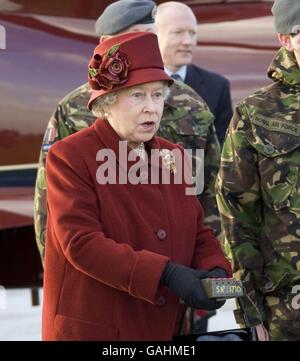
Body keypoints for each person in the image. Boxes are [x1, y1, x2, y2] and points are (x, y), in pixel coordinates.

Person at [42, 32, 232, 341]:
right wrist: (166, 273)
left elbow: (197, 231)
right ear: (106, 102)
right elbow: (82, 243)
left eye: (157, 95)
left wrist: (216, 270)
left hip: (162, 330)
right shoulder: (71, 157)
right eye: (137, 95)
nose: (151, 108)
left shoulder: (175, 156)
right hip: (97, 331)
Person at [34, 0, 221, 264]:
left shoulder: (192, 105)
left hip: (180, 275)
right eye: (136, 37)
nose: (145, 47)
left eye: (151, 39)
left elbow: (210, 189)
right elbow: (49, 206)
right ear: (105, 42)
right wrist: (58, 268)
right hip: (106, 269)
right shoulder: (73, 109)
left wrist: (207, 268)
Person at [216, 0, 300, 341]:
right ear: (286, 39)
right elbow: (236, 213)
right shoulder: (256, 114)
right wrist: (249, 311)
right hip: (287, 309)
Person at [155, 1, 233, 145]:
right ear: (154, 34)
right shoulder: (138, 83)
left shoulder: (217, 87)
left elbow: (225, 150)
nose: (188, 41)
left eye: (193, 33)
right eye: (178, 32)